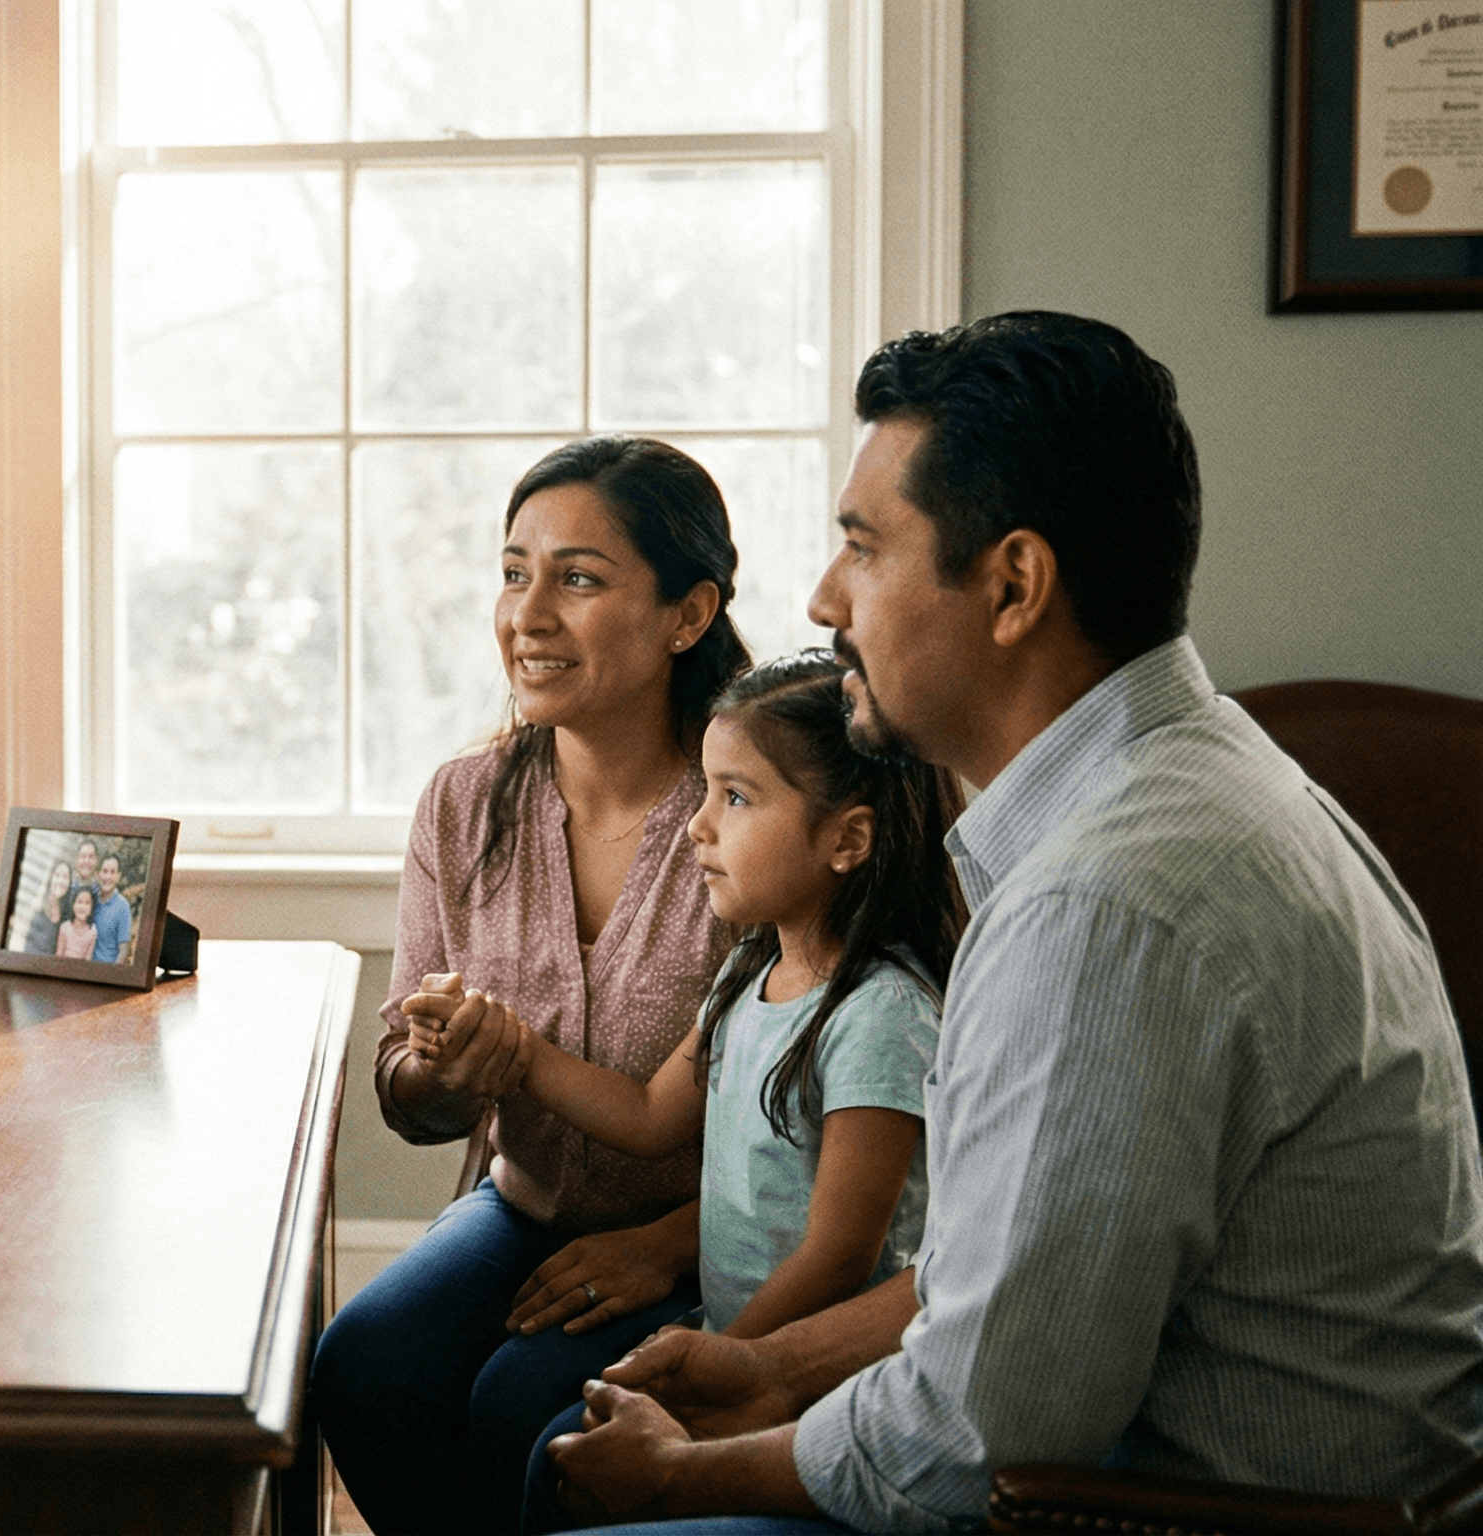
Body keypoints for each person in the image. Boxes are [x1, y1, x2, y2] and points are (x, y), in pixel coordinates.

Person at [547, 312, 1483, 1532]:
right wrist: (774, 1371)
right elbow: (1013, 1285)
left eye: (863, 550)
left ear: (1011, 586)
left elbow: (970, 1441)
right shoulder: (1208, 770)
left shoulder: (1104, 907)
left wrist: (679, 1477)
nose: (827, 600)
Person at [309, 436, 752, 1535]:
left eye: (578, 579)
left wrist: (668, 1244)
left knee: (524, 1406)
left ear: (685, 616)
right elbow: (404, 1091)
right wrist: (441, 1073)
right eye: (513, 573)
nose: (527, 614)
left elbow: (829, 1113)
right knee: (361, 1366)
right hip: (522, 1208)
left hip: (719, 1231)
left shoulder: (758, 811)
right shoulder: (462, 805)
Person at [418, 651, 961, 1529]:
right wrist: (512, 1047)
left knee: (563, 1466)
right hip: (732, 1339)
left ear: (847, 840)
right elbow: (645, 1117)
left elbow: (840, 1256)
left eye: (735, 798)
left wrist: (719, 1359)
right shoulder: (750, 972)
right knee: (550, 1450)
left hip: (815, 1378)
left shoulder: (882, 1016)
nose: (696, 827)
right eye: (705, 792)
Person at [88, 854, 135, 964]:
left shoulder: (123, 906)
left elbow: (123, 951)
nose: (108, 876)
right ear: (97, 874)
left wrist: (111, 977)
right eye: (104, 871)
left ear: (118, 876)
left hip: (106, 970)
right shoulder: (90, 899)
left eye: (112, 872)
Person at [20, 861, 72, 955]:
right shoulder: (39, 911)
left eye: (65, 877)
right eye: (57, 875)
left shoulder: (67, 915)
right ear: (50, 878)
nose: (60, 881)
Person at [54, 886, 99, 960]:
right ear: (73, 905)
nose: (83, 907)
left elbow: (88, 958)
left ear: (91, 908)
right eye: (79, 902)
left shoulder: (93, 931)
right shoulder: (65, 927)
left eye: (87, 903)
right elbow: (59, 955)